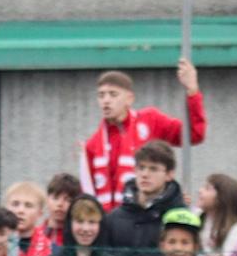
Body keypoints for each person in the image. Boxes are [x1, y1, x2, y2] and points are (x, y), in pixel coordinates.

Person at [81, 60, 204, 208]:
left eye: (113, 94)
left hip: (149, 216)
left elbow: (195, 134)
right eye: (101, 95)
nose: (106, 101)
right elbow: (89, 194)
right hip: (111, 223)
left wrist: (192, 91)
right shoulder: (93, 144)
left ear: (129, 99)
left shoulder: (150, 120)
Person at [103, 140, 187, 256]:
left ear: (169, 174)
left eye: (153, 169)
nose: (145, 174)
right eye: (141, 168)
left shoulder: (180, 218)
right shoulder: (113, 219)